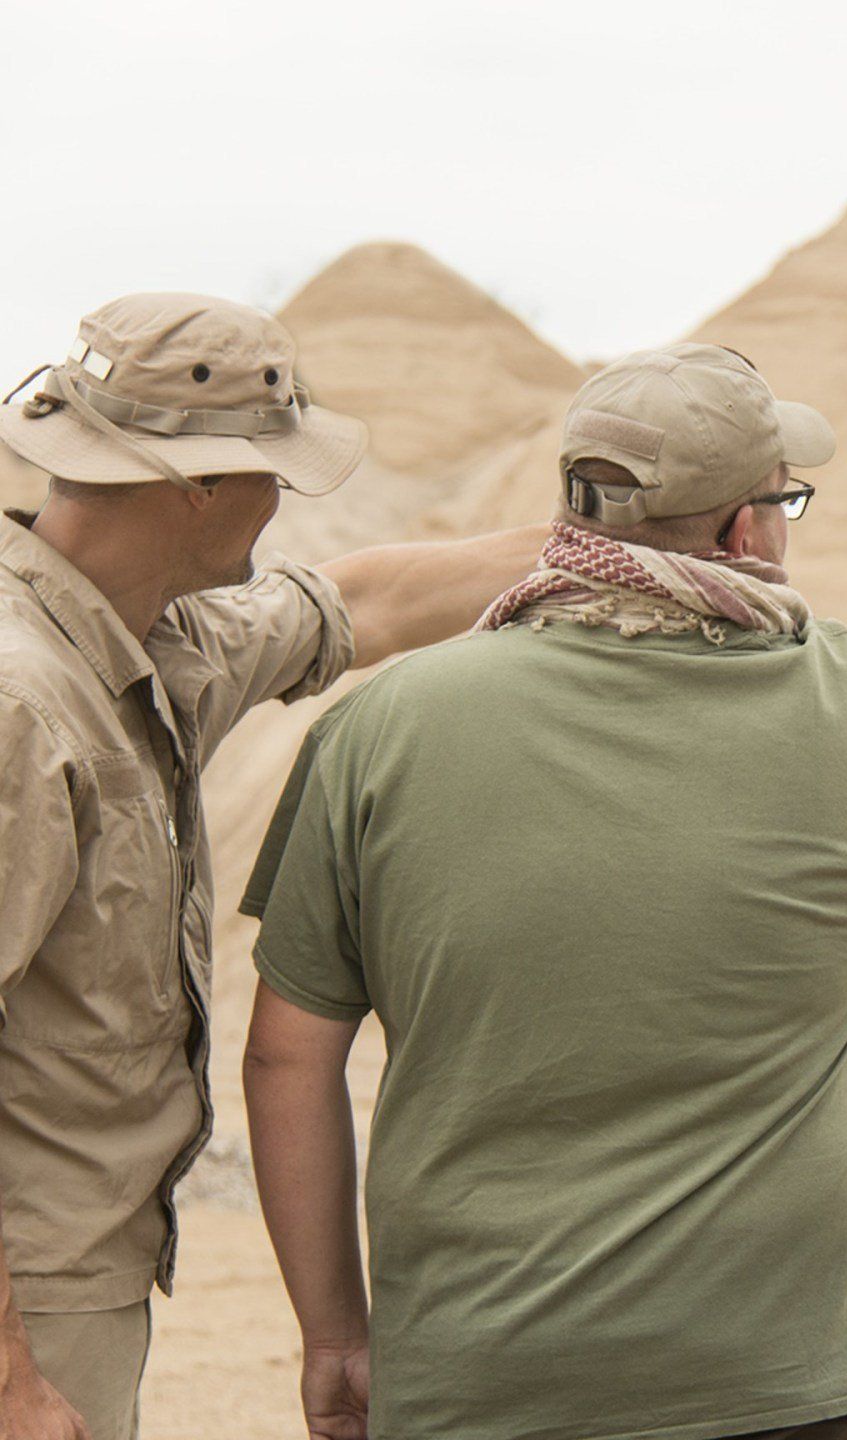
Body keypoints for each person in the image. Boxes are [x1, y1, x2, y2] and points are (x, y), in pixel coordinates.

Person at [241, 342, 847, 1440]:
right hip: (784, 1383)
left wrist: (335, 1335)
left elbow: (288, 1056)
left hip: (477, 1382)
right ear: (742, 532)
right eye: (784, 499)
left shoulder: (379, 728)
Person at [0, 292, 546, 1440]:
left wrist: (623, 546)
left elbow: (360, 602)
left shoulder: (145, 633)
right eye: (272, 471)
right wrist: (12, 1379)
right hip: (28, 1305)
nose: (281, 499)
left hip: (72, 1279)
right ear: (197, 485)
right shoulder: (24, 706)